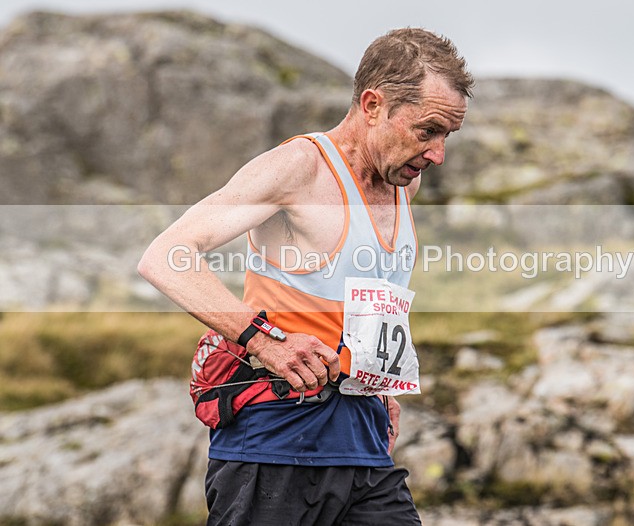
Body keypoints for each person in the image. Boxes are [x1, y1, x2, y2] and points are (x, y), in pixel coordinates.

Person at [138, 27, 473, 525]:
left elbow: (366, 295)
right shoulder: (299, 168)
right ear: (373, 105)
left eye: (447, 136)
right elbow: (167, 255)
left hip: (362, 438)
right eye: (427, 131)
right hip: (274, 439)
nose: (437, 154)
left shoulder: (404, 184)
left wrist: (381, 388)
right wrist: (264, 341)